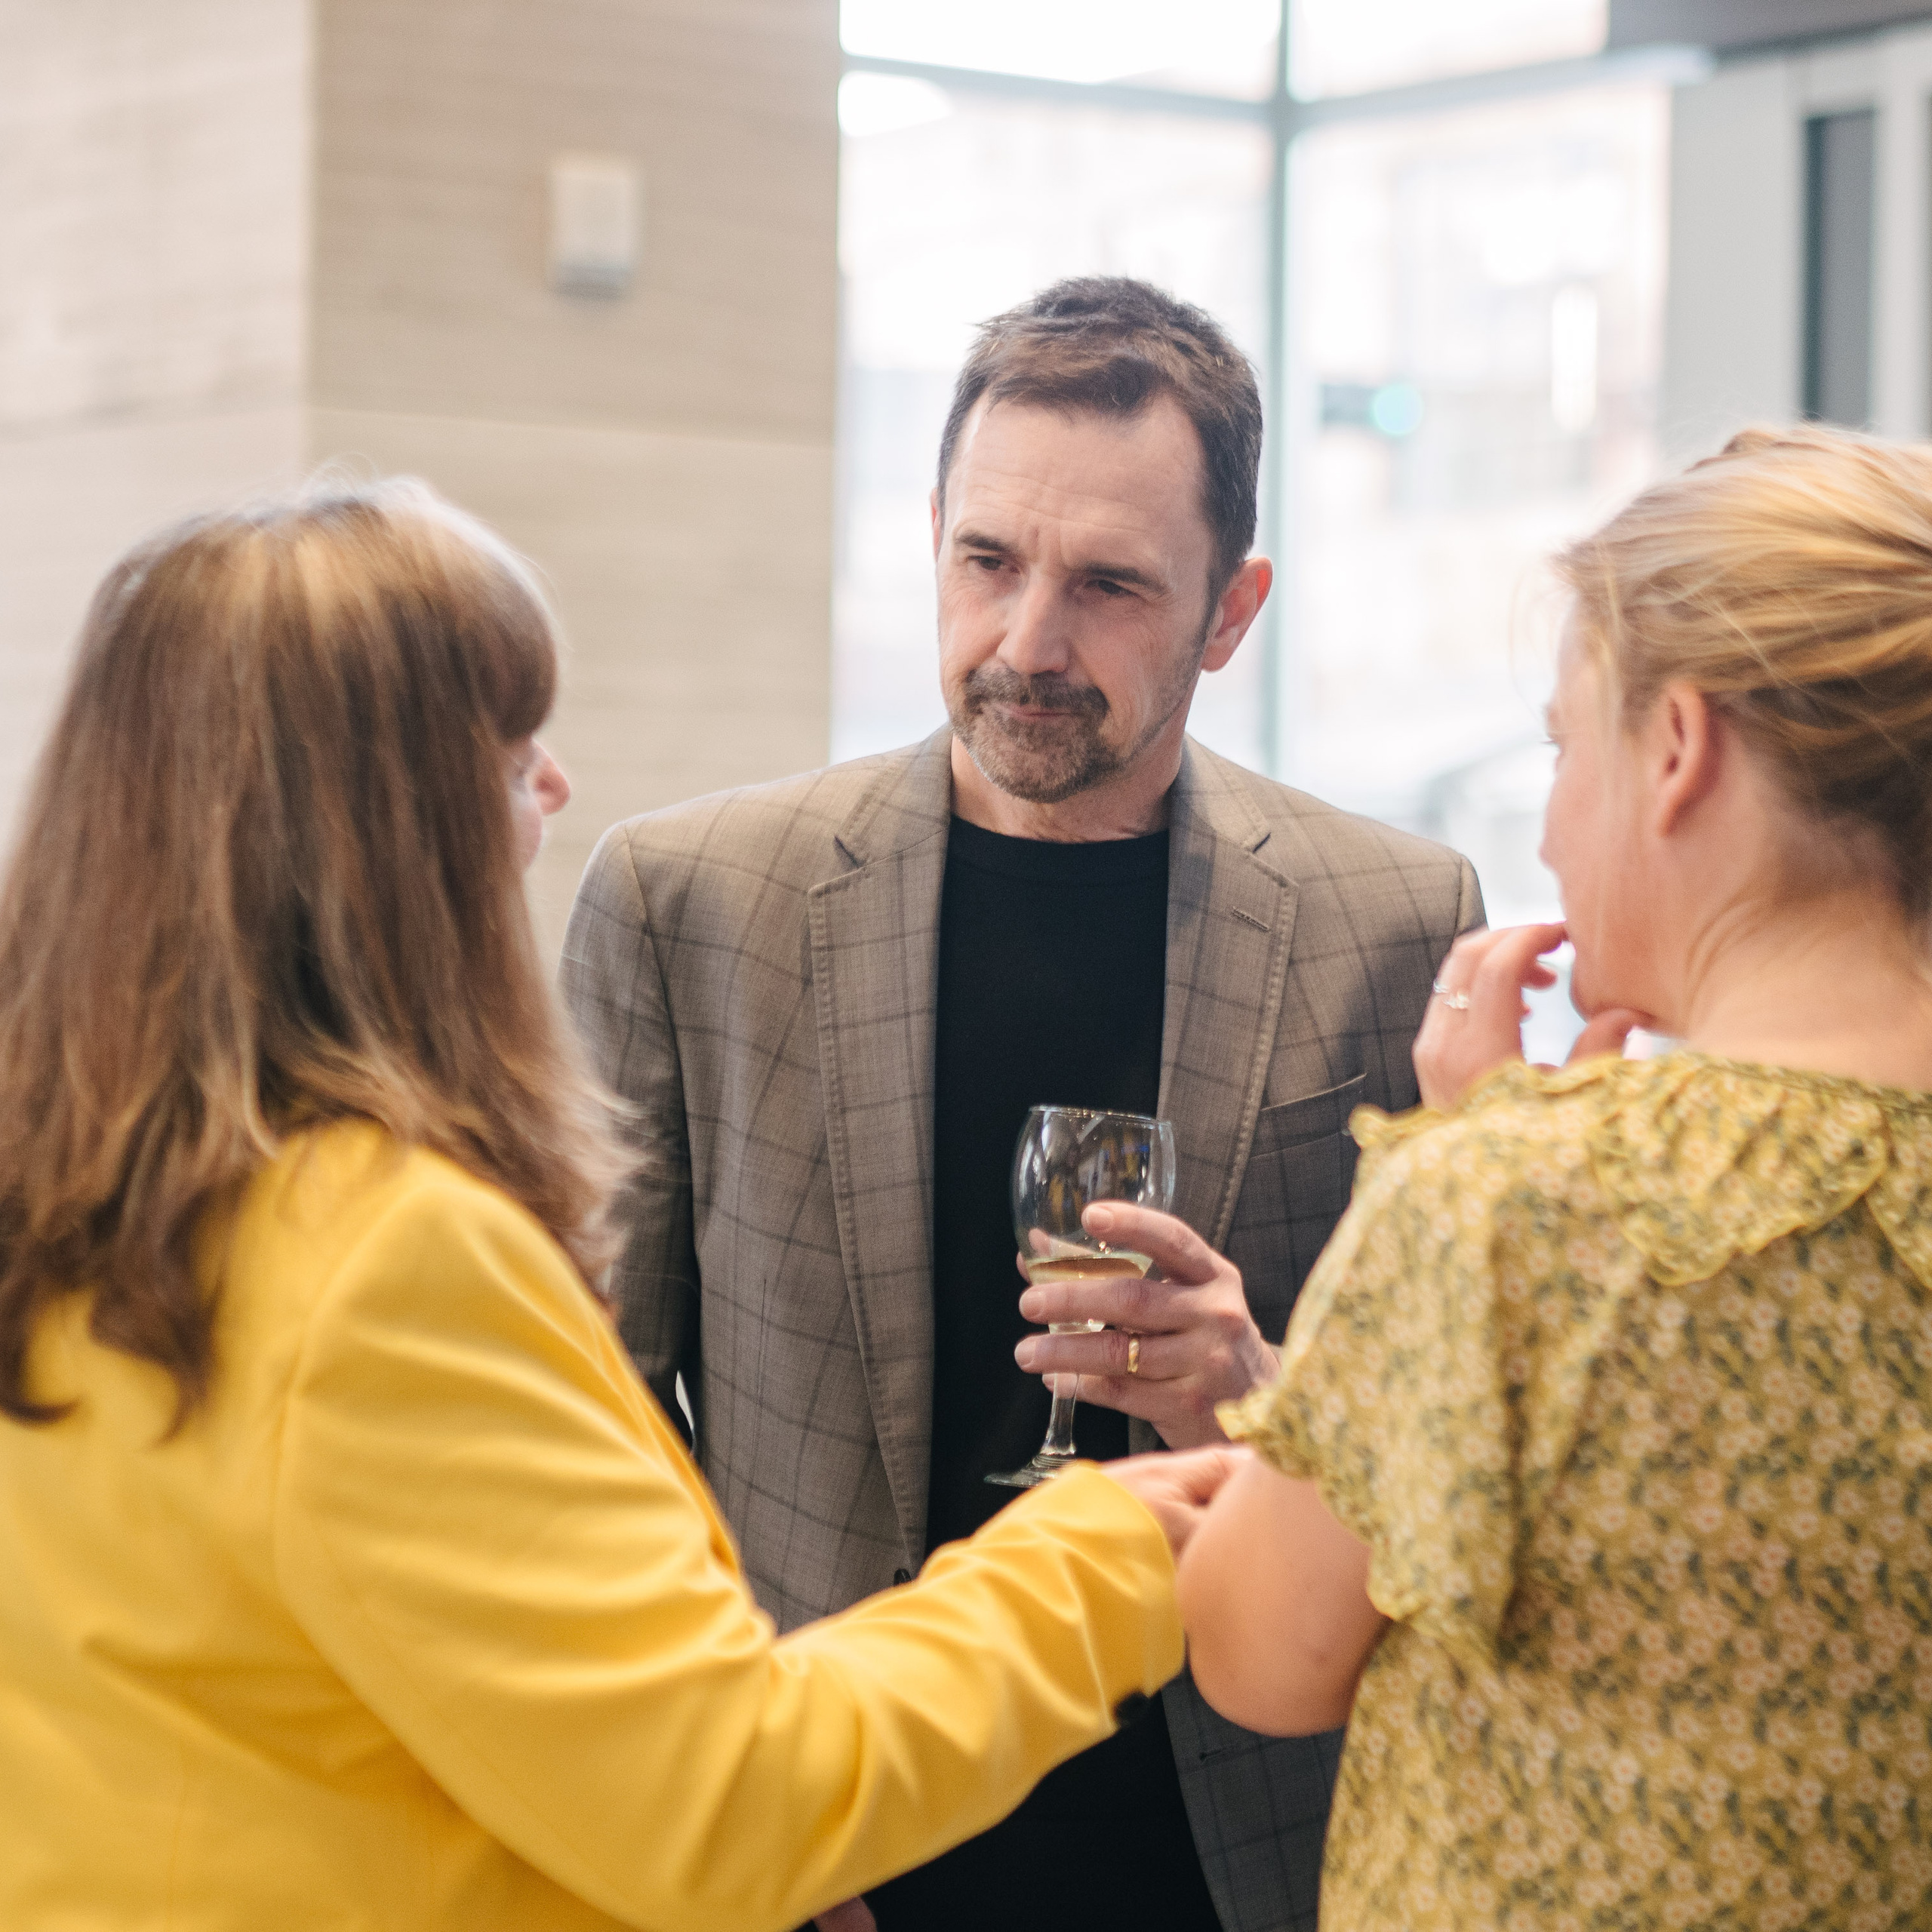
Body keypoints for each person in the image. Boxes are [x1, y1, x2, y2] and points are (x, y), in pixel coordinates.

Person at [0, 481, 1241, 1932]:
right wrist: (1106, 1555)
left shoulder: (79, 1181)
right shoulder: (387, 1260)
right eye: (510, 743)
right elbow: (726, 1805)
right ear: (381, 829)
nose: (556, 786)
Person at [561, 275, 1479, 1932]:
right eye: (986, 561)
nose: (1026, 643)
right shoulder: (690, 899)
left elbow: (1436, 1428)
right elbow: (593, 1417)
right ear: (929, 534)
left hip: (1232, 1830)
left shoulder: (1396, 912)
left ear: (1230, 606)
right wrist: (716, 1783)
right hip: (831, 1817)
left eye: (1110, 585)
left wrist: (1255, 1386)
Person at [1172, 422, 1932, 1929]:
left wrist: (1469, 1154)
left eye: (1560, 743)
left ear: (1675, 748)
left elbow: (1254, 1650)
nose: (1539, 823)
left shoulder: (1503, 1203)